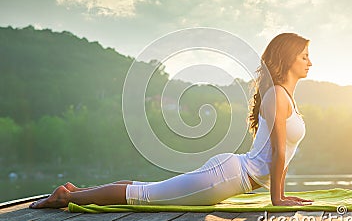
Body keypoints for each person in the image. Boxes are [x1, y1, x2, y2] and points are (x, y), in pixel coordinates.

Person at [30, 32, 314, 209]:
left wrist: (281, 195)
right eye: (304, 56)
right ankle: (66, 198)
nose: (309, 62)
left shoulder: (284, 96)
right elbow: (277, 151)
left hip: (233, 173)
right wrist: (278, 198)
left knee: (146, 188)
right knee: (144, 195)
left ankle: (76, 191)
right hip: (230, 177)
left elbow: (284, 155)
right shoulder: (276, 95)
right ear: (288, 59)